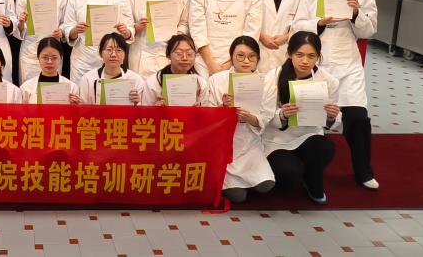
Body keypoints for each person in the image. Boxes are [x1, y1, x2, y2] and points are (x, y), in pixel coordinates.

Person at [292, 0, 379, 190]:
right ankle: (309, 170)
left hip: (348, 62)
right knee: (313, 117)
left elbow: (369, 31)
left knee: (357, 118)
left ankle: (364, 171)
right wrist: (319, 23)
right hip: (316, 63)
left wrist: (356, 13)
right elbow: (297, 26)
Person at [262, 31, 341, 204]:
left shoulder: (329, 81)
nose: (305, 61)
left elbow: (335, 121)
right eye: (299, 55)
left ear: (318, 57)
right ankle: (300, 170)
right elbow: (264, 115)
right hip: (278, 140)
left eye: (311, 56)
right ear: (289, 53)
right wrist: (282, 114)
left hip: (309, 136)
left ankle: (312, 178)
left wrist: (331, 116)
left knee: (324, 148)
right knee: (287, 174)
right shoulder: (274, 77)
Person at [204, 36, 276, 203]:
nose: (246, 61)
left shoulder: (266, 82)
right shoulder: (217, 80)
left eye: (252, 56)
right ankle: (232, 183)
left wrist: (251, 118)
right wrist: (223, 108)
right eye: (240, 56)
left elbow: (267, 114)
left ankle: (251, 178)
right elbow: (207, 112)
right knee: (238, 196)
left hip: (250, 144)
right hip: (225, 145)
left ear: (258, 59)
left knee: (266, 185)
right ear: (232, 57)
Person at [62, 0, 135, 83]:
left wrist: (127, 31)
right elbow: (67, 27)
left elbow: (130, 26)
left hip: (112, 59)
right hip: (84, 60)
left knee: (110, 94)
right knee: (83, 94)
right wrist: (74, 30)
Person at [13, 0, 71, 83]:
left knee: (51, 89)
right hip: (30, 51)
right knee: (29, 89)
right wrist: (20, 23)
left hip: (53, 50)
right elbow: (19, 29)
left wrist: (61, 31)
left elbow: (66, 23)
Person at [129, 0, 190, 78]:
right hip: (142, 55)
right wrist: (137, 27)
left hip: (171, 53)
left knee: (170, 88)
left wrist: (178, 33)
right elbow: (128, 25)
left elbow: (184, 22)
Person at [76, 32, 147, 105]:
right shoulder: (88, 79)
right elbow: (82, 107)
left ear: (125, 54)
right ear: (100, 53)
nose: (113, 55)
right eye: (109, 49)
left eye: (118, 50)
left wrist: (136, 104)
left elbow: (142, 108)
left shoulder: (136, 80)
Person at [142, 34, 208, 105]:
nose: (185, 58)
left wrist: (198, 110)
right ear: (168, 55)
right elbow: (144, 110)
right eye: (179, 54)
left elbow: (206, 110)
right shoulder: (153, 83)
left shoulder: (201, 84)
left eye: (189, 54)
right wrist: (155, 109)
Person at [19, 37, 81, 104]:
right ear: (38, 57)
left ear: (60, 58)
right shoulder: (26, 88)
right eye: (45, 57)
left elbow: (77, 110)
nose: (49, 61)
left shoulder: (72, 88)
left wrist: (75, 106)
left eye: (54, 58)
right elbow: (21, 110)